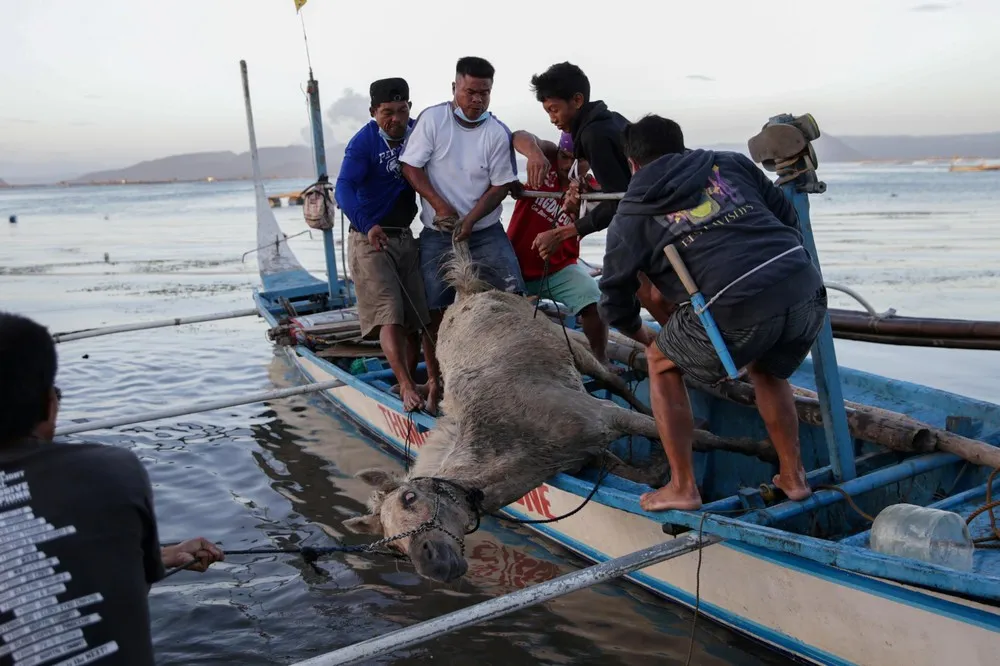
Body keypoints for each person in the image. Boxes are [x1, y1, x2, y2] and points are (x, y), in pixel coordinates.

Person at [598, 114, 827, 511]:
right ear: (681, 146)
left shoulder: (631, 215)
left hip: (740, 308)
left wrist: (640, 333)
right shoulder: (732, 164)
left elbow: (615, 297)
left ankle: (683, 486)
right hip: (806, 291)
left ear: (632, 163)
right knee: (768, 371)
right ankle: (794, 477)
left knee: (659, 361)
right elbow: (787, 219)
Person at [0, 311, 224, 666]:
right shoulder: (114, 468)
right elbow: (134, 583)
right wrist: (158, 560)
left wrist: (166, 556)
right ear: (49, 403)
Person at [335, 77, 441, 413]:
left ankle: (415, 380)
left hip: (405, 236)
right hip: (369, 238)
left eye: (401, 110)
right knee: (390, 316)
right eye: (386, 113)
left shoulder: (418, 132)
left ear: (410, 107)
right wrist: (368, 225)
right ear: (373, 112)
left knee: (419, 319)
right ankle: (407, 387)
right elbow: (343, 190)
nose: (394, 119)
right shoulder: (362, 143)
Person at [399, 56, 525, 329]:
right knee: (433, 304)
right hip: (438, 232)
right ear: (454, 87)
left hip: (486, 232)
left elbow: (500, 186)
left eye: (485, 93)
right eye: (470, 92)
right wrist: (439, 204)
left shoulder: (496, 132)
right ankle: (436, 370)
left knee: (512, 296)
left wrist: (470, 221)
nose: (477, 100)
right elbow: (410, 166)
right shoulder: (433, 119)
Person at [508, 130, 611, 366]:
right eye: (565, 156)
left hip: (558, 270)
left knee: (594, 300)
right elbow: (519, 136)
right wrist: (534, 155)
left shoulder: (594, 190)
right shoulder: (548, 164)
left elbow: (603, 215)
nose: (569, 165)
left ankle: (600, 359)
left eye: (579, 160)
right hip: (513, 265)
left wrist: (578, 206)